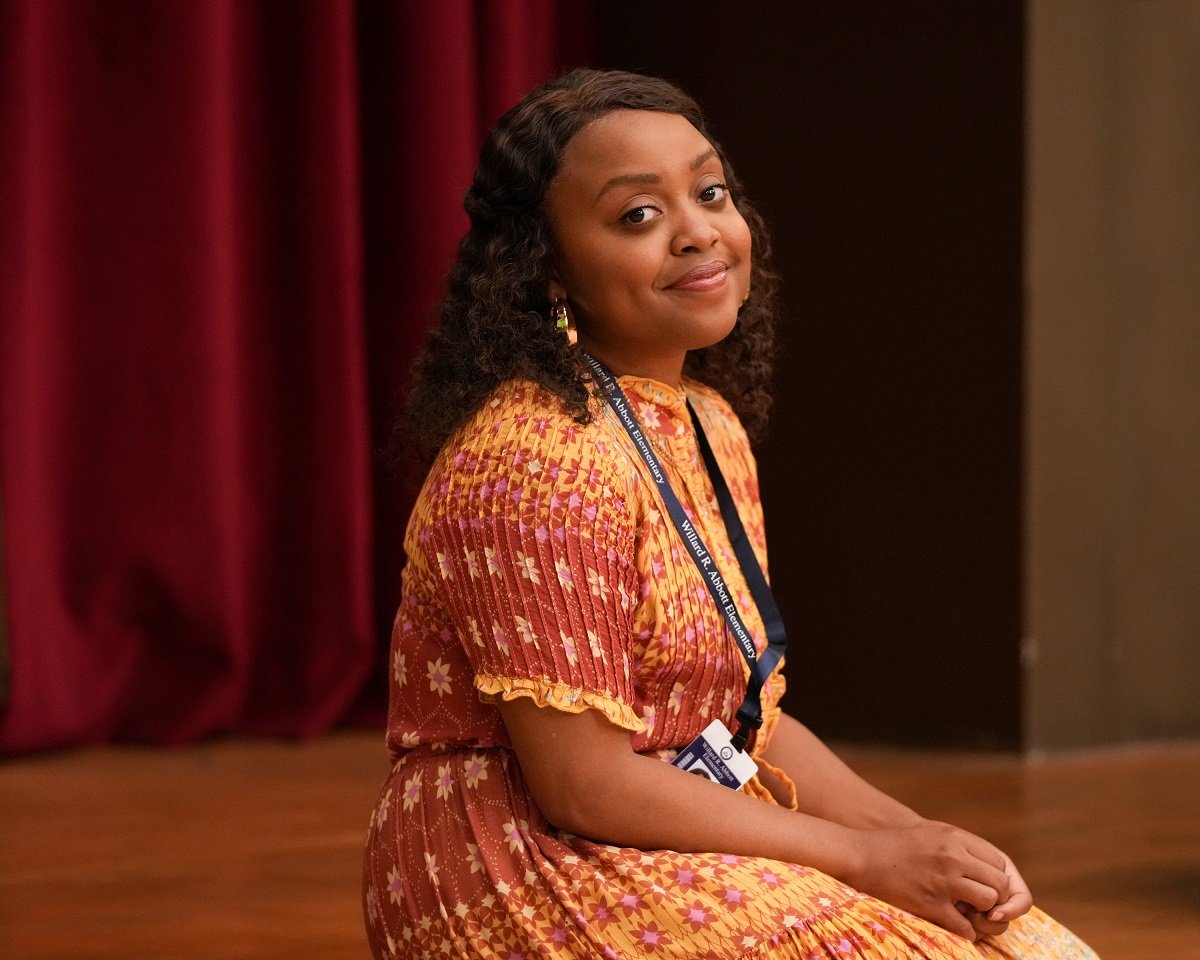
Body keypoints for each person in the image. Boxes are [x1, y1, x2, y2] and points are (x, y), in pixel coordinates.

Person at [363, 68, 1098, 960]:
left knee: (1030, 945)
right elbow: (584, 786)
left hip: (675, 818)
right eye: (638, 214)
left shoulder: (704, 425)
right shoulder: (534, 459)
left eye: (709, 192)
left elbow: (745, 715)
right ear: (546, 269)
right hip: (529, 865)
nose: (697, 232)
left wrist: (924, 841)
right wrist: (864, 858)